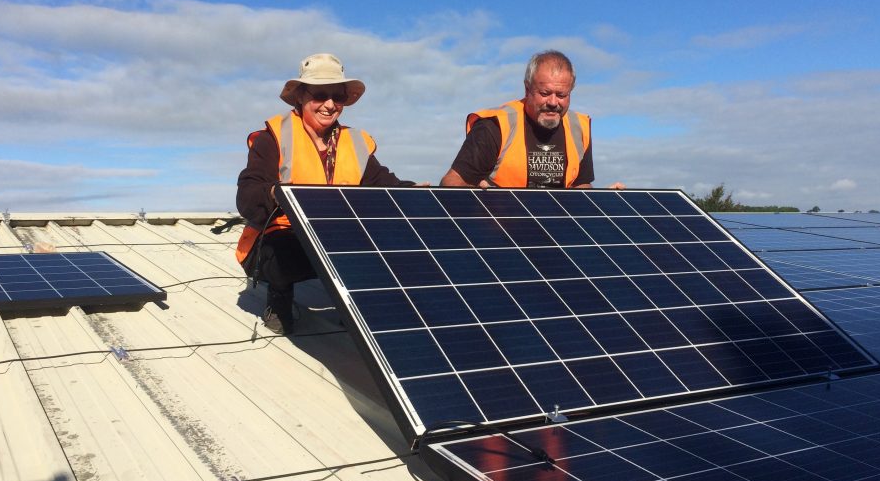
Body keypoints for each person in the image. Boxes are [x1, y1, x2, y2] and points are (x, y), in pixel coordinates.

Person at [236, 53, 414, 334]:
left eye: (338, 97)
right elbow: (247, 195)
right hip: (284, 237)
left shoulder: (356, 142)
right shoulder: (273, 137)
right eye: (320, 95)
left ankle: (354, 307)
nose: (330, 105)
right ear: (300, 97)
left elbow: (384, 184)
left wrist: (417, 193)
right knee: (284, 257)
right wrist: (274, 193)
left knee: (383, 243)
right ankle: (279, 298)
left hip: (336, 236)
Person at [440, 50, 624, 190]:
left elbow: (581, 186)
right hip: (499, 228)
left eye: (561, 95)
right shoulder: (496, 126)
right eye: (544, 93)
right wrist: (476, 200)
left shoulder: (579, 128)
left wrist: (604, 202)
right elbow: (452, 183)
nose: (553, 102)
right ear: (527, 90)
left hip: (558, 232)